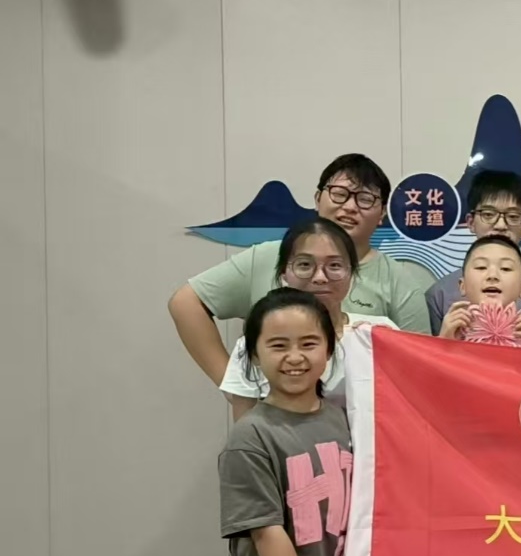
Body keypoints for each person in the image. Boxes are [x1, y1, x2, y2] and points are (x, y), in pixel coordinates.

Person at [170, 153, 433, 387]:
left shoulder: (399, 281)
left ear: (382, 213)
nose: (350, 207)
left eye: (365, 199)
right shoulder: (268, 256)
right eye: (340, 194)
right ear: (318, 199)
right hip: (273, 418)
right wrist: (232, 384)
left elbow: (417, 366)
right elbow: (185, 303)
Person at [214, 288, 356, 556]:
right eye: (278, 345)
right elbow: (266, 532)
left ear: (329, 350)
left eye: (309, 343)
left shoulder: (344, 419)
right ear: (254, 356)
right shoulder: (251, 437)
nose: (295, 357)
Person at [219, 218, 397, 420]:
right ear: (284, 272)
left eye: (334, 265)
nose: (320, 277)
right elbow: (246, 428)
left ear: (351, 273)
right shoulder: (255, 343)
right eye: (304, 264)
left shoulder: (381, 332)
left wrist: (384, 347)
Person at [426, 170, 521, 335]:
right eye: (488, 214)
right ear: (470, 222)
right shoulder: (440, 294)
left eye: (513, 216)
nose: (501, 225)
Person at [437, 235, 521, 350]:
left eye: (506, 268)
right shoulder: (449, 339)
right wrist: (441, 345)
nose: (492, 275)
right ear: (463, 286)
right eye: (481, 267)